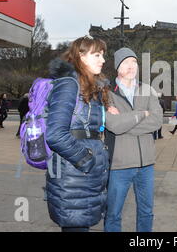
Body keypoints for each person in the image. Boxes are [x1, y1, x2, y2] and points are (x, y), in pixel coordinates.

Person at [45, 36, 110, 232]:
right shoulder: (69, 84)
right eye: (97, 55)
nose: (103, 60)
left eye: (103, 55)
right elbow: (55, 134)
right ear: (81, 57)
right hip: (74, 174)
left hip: (82, 175)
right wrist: (86, 159)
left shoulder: (89, 86)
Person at [104, 47, 163, 232]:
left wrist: (126, 122)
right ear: (117, 67)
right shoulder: (106, 92)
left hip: (146, 164)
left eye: (134, 62)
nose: (131, 66)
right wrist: (141, 114)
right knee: (113, 214)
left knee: (147, 212)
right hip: (119, 165)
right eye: (126, 62)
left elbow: (157, 121)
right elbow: (113, 125)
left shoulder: (147, 90)